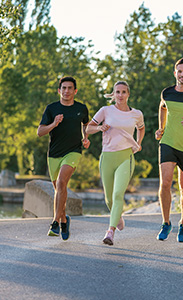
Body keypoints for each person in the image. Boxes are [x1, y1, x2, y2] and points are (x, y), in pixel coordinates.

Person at [86, 81, 145, 246]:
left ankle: (110, 232)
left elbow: (141, 127)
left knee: (118, 194)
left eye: (124, 92)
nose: (120, 95)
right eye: (117, 92)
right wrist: (99, 128)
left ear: (128, 94)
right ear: (114, 94)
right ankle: (117, 218)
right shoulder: (106, 110)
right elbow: (88, 129)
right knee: (109, 199)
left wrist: (138, 143)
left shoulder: (136, 114)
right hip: (107, 156)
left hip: (126, 156)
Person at [37, 76, 90, 240]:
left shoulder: (81, 108)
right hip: (54, 154)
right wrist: (54, 124)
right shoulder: (52, 109)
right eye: (64, 88)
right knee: (60, 189)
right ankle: (64, 220)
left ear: (75, 91)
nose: (66, 91)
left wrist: (86, 137)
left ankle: (55, 223)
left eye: (70, 88)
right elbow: (40, 132)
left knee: (61, 183)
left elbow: (86, 125)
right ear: (59, 91)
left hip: (73, 152)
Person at [155, 58, 183, 243]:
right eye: (179, 71)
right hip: (168, 142)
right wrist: (161, 128)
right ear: (175, 73)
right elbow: (162, 107)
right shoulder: (167, 92)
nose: (182, 74)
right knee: (165, 183)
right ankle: (165, 223)